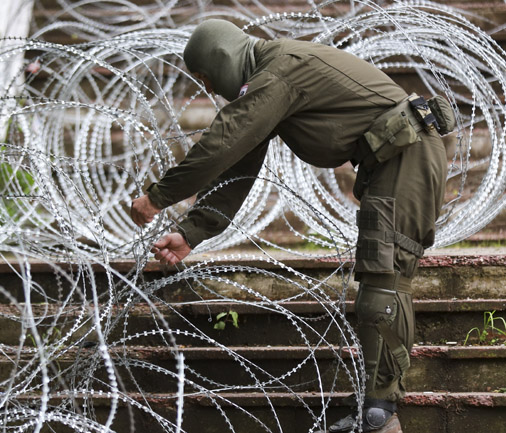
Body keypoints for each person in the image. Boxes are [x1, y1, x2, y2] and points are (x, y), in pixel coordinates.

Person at [130, 19, 450, 433]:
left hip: (407, 156)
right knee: (380, 278)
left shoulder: (279, 69)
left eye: (206, 78)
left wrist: (157, 196)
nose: (209, 89)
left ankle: (380, 415)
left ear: (222, 59)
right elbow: (238, 164)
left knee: (384, 281)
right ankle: (376, 409)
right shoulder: (270, 77)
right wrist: (193, 233)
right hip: (395, 157)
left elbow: (222, 142)